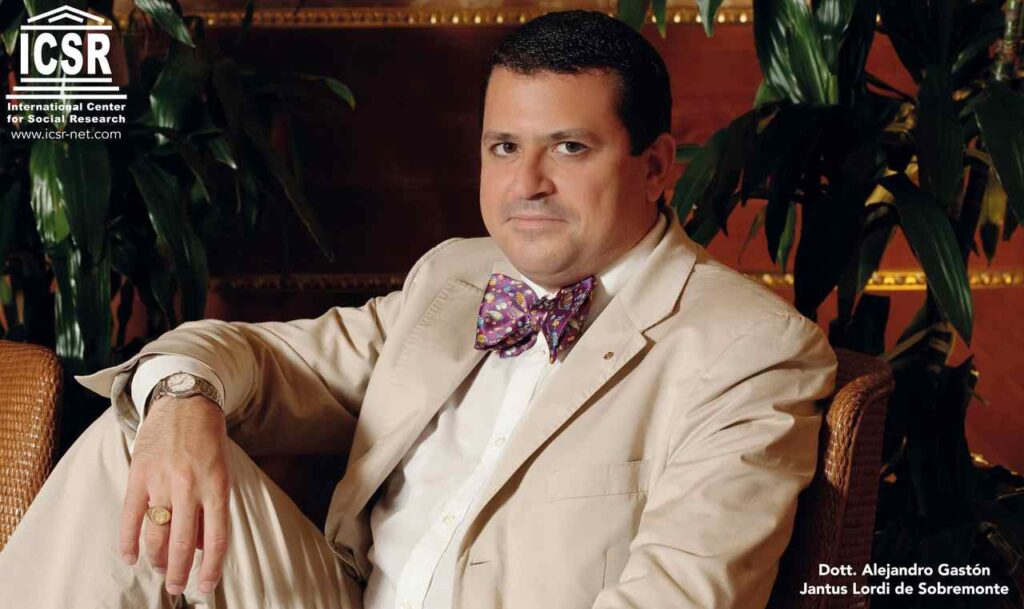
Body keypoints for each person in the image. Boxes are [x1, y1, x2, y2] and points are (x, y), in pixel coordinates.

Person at [0, 9, 837, 609]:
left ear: (655, 167)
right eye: (504, 146)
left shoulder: (748, 347)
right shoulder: (454, 275)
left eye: (569, 148)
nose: (526, 183)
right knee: (138, 435)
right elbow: (268, 356)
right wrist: (185, 400)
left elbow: (684, 592)